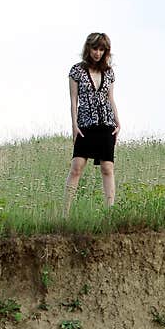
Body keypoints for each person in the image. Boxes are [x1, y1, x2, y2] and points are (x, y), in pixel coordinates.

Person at [64, 32, 121, 217]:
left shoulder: (109, 72)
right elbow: (74, 101)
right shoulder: (76, 71)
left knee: (107, 167)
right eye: (95, 48)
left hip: (106, 123)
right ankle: (65, 213)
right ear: (88, 49)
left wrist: (118, 122)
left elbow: (110, 98)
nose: (98, 53)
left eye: (102, 49)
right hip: (85, 124)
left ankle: (110, 213)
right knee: (77, 167)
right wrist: (74, 125)